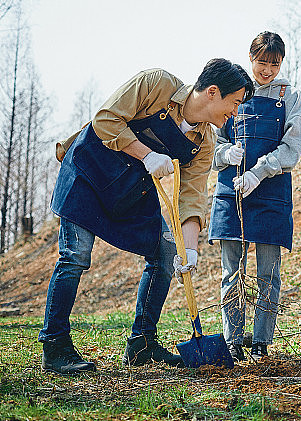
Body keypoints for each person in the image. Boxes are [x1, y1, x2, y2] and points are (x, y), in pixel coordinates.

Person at [40, 60, 254, 375]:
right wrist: (147, 154)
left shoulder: (205, 142)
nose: (235, 113)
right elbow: (106, 120)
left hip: (131, 190)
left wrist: (189, 249)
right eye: (234, 103)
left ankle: (142, 344)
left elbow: (191, 196)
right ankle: (55, 345)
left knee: (165, 252)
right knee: (75, 255)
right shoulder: (156, 85)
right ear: (212, 92)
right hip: (88, 173)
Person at [209, 31, 301, 363]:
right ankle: (232, 341)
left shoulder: (290, 96)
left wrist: (259, 171)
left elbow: (292, 149)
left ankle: (261, 342)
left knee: (268, 273)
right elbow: (211, 145)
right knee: (231, 272)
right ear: (251, 58)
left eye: (274, 64)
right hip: (231, 194)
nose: (267, 70)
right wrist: (225, 154)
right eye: (262, 62)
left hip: (271, 194)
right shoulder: (233, 93)